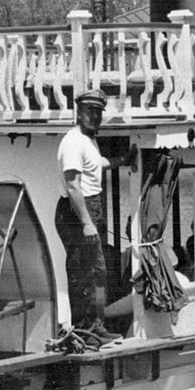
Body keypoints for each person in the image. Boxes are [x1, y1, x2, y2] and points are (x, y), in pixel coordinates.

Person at [55, 89, 134, 340]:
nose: (95, 116)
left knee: (96, 271)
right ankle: (89, 330)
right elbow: (73, 185)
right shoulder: (73, 142)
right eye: (90, 111)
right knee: (87, 273)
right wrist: (87, 223)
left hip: (88, 208)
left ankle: (92, 327)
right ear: (79, 112)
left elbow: (95, 164)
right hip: (77, 211)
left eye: (99, 112)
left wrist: (122, 160)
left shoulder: (88, 139)